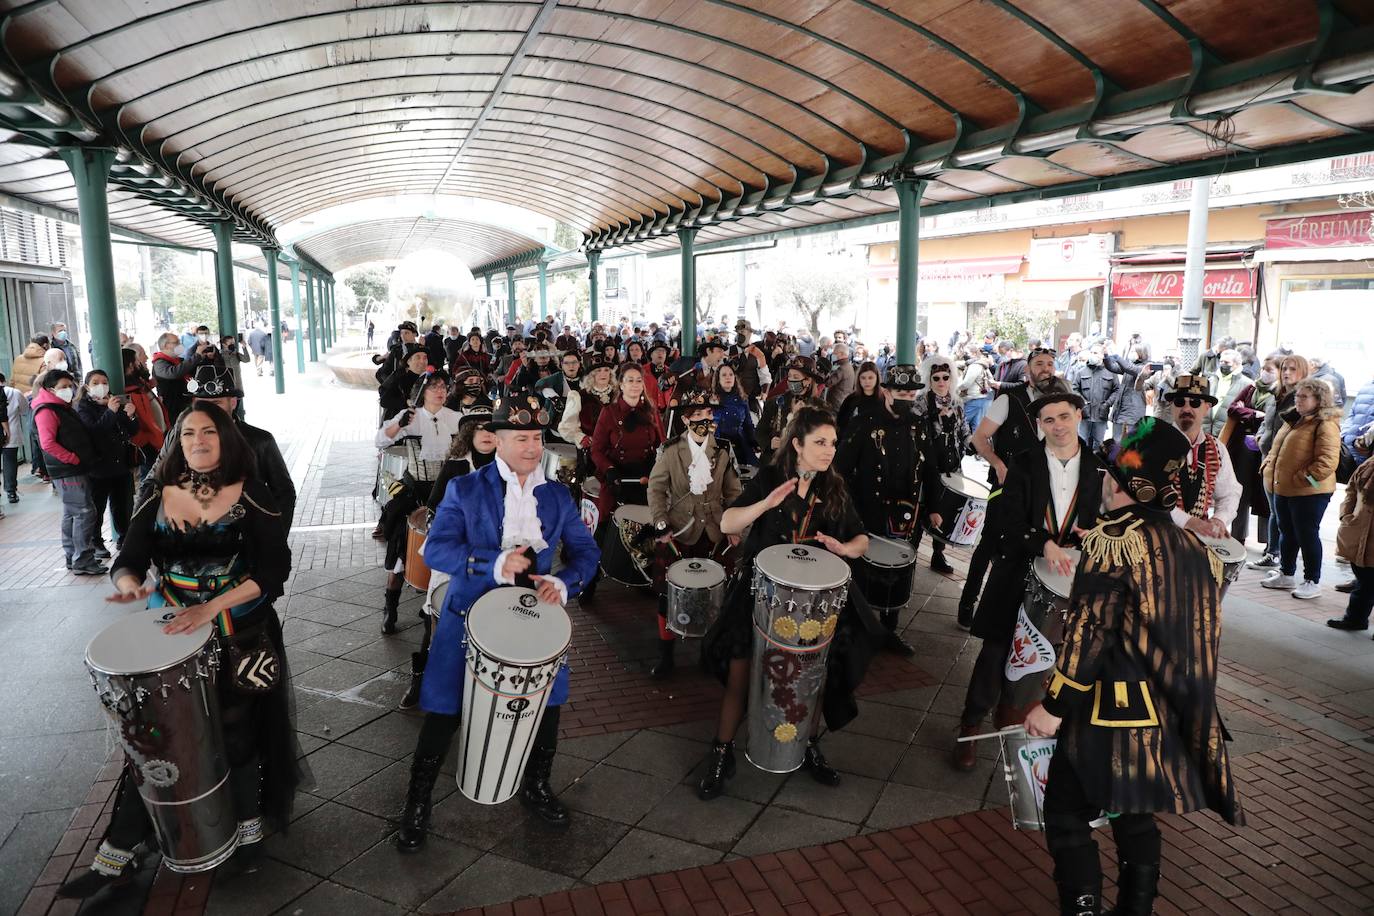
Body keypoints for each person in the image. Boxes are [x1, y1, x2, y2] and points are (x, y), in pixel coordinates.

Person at [58, 403, 302, 898]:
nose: (197, 440)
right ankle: (119, 852)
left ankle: (246, 834)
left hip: (241, 633)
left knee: (237, 735)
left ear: (226, 439)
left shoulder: (253, 494)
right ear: (178, 441)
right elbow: (128, 558)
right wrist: (128, 582)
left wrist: (211, 608)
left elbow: (274, 571)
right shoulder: (159, 494)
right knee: (152, 740)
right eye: (187, 432)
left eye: (208, 431)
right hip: (172, 637)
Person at [1023, 417, 1241, 916]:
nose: (1102, 480)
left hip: (1107, 714)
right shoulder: (1195, 548)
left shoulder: (1112, 541)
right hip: (1162, 713)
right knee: (1135, 816)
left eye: (1109, 475)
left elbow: (1089, 632)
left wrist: (1054, 705)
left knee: (1066, 816)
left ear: (1123, 486)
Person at [395, 395, 600, 850]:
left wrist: (565, 584)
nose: (531, 447)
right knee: (445, 710)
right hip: (470, 617)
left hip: (535, 619)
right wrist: (494, 562)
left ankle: (536, 785)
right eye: (520, 438)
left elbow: (587, 553)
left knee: (547, 706)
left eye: (536, 439)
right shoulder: (465, 490)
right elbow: (436, 550)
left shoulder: (557, 496)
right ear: (500, 442)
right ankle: (418, 801)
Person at [697, 406, 876, 800]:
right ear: (797, 444)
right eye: (820, 443)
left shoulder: (834, 489)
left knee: (814, 678)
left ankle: (808, 746)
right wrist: (765, 505)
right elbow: (729, 523)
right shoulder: (771, 478)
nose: (829, 450)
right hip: (760, 595)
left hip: (814, 607)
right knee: (741, 678)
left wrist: (844, 547)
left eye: (832, 442)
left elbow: (862, 539)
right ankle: (722, 752)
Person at [952, 392, 1101, 769]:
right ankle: (969, 729)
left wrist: (1092, 535)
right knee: (995, 652)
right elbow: (1008, 521)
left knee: (1045, 656)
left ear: (1079, 416)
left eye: (1064, 417)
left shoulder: (1099, 468)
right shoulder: (1022, 463)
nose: (1058, 426)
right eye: (1049, 420)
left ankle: (1013, 717)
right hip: (1017, 570)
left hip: (1065, 580)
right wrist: (1043, 542)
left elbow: (1107, 522)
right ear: (1039, 425)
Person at [834, 364, 938, 655]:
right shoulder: (864, 422)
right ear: (887, 391)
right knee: (863, 572)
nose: (907, 397)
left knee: (898, 572)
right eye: (901, 392)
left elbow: (930, 468)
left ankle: (888, 630)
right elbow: (840, 469)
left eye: (911, 393)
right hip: (869, 512)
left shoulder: (918, 424)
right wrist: (846, 511)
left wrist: (934, 508)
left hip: (908, 516)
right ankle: (855, 630)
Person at [959, 347, 1063, 627]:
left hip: (1042, 491)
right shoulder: (1008, 399)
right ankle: (967, 602)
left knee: (1028, 545)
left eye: (1050, 364)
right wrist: (998, 465)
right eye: (1039, 363)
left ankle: (1017, 609)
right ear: (1027, 369)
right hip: (1005, 487)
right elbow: (980, 438)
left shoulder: (1058, 403)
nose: (1045, 368)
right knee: (989, 542)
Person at [646, 390, 743, 678]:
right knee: (668, 595)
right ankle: (666, 656)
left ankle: (707, 653)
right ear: (686, 419)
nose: (705, 420)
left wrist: (735, 526)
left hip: (713, 531)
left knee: (715, 596)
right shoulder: (669, 449)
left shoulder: (723, 449)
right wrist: (660, 523)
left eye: (708, 415)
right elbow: (656, 489)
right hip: (678, 532)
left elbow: (734, 492)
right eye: (698, 415)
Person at [374, 372, 463, 632]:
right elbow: (380, 439)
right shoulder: (410, 418)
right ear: (422, 391)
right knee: (402, 550)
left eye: (444, 387)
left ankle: (437, 606)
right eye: (434, 386)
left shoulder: (455, 418)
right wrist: (399, 424)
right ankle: (390, 609)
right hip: (414, 491)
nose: (440, 391)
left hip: (447, 492)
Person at [1260, 377, 1342, 599]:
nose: (1298, 400)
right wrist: (1269, 466)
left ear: (1319, 399)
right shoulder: (1295, 419)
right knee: (1287, 532)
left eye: (1304, 397)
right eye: (1297, 396)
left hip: (1310, 492)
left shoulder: (1325, 423)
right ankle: (1286, 574)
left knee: (1307, 535)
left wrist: (1304, 479)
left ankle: (1312, 581)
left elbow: (1327, 462)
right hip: (1284, 488)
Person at [32, 370, 105, 574]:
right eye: (63, 386)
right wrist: (72, 458)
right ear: (50, 389)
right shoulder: (46, 410)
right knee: (84, 512)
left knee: (72, 513)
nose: (68, 390)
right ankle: (82, 559)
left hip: (71, 469)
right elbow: (48, 443)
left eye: (69, 385)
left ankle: (73, 555)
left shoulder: (60, 407)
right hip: (67, 470)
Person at [1250, 354, 1310, 570]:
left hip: (1289, 463)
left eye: (1292, 369)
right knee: (1275, 510)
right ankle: (1273, 552)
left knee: (1285, 513)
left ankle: (1279, 556)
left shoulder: (1304, 398)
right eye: (1284, 368)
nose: (1286, 373)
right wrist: (1260, 434)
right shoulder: (1275, 394)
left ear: (1303, 371)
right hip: (1269, 458)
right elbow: (1267, 422)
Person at [913, 355, 970, 575]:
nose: (941, 381)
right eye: (936, 377)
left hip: (953, 466)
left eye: (946, 377)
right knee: (923, 509)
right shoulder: (920, 403)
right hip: (928, 467)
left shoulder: (957, 402)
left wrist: (974, 445)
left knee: (946, 511)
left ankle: (938, 553)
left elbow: (964, 430)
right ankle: (912, 553)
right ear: (929, 378)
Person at [1164, 376, 1241, 541]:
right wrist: (1189, 521)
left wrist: (1219, 519)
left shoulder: (1217, 448)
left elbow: (1229, 492)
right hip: (1158, 536)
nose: (1186, 408)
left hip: (1198, 541)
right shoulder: (1154, 443)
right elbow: (1147, 496)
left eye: (1195, 403)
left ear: (1207, 408)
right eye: (1179, 402)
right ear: (1172, 406)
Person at [73, 370, 139, 557]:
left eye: (104, 381)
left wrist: (132, 416)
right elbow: (94, 432)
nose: (101, 385)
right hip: (98, 466)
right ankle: (96, 542)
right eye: (95, 382)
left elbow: (131, 430)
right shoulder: (83, 407)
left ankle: (124, 538)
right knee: (97, 506)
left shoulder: (113, 402)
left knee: (123, 504)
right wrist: (110, 411)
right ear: (86, 387)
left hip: (120, 464)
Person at [590, 362, 664, 520]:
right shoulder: (609, 412)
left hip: (646, 479)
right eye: (630, 380)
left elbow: (661, 445)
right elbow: (596, 450)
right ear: (621, 385)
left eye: (639, 380)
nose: (635, 385)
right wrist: (609, 469)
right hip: (617, 479)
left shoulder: (651, 411)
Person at [756, 355, 825, 464]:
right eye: (789, 376)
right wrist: (769, 443)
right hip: (775, 463)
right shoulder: (775, 402)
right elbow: (760, 431)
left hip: (804, 464)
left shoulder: (819, 408)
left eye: (796, 377)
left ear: (808, 381)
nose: (791, 380)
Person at [1070, 344, 1118, 450]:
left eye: (1095, 353)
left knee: (1099, 444)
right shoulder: (1081, 372)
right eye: (1091, 352)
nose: (1092, 355)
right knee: (1081, 442)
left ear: (1102, 355)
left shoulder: (1111, 373)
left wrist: (1107, 404)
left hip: (1101, 414)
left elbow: (1117, 390)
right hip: (1084, 415)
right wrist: (1082, 403)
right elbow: (1074, 389)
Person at [711, 362, 756, 468]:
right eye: (724, 375)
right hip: (719, 444)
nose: (728, 378)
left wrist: (754, 442)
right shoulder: (711, 400)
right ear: (718, 379)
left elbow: (748, 424)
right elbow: (711, 426)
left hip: (740, 443)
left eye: (731, 375)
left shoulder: (742, 399)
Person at [1202, 348, 1254, 438]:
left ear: (1237, 364)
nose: (1223, 365)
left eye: (1226, 363)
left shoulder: (1247, 384)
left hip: (1227, 433)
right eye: (1221, 362)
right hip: (1206, 429)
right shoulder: (1211, 380)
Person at [834, 360, 885, 439]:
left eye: (870, 378)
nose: (867, 381)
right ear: (859, 379)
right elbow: (841, 423)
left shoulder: (884, 400)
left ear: (877, 378)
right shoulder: (851, 399)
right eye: (863, 378)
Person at [378, 343, 430, 418]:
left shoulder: (429, 379)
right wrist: (406, 402)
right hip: (398, 423)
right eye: (418, 357)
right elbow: (384, 401)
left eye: (425, 358)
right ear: (408, 361)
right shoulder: (399, 377)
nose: (422, 361)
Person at [1, 371, 29, 503]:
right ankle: (11, 492)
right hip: (11, 433)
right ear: (4, 380)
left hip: (7, 432)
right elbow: (25, 410)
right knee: (10, 462)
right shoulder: (14, 392)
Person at [823, 342, 856, 411]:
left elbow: (828, 383)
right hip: (842, 401)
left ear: (841, 354)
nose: (833, 355)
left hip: (836, 403)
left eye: (834, 353)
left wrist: (825, 373)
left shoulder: (842, 368)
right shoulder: (848, 366)